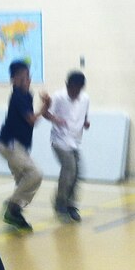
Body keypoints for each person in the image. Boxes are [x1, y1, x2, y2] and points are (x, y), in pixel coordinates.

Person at [0, 60, 50, 231]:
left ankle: (15, 213)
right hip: (10, 144)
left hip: (18, 144)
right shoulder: (17, 96)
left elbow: (31, 119)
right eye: (22, 77)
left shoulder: (27, 95)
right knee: (35, 174)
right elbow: (31, 120)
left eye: (28, 76)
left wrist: (44, 108)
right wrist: (45, 107)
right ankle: (12, 207)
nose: (26, 80)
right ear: (13, 80)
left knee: (23, 180)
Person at [44, 70, 90, 222]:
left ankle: (70, 204)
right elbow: (45, 113)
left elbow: (84, 116)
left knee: (78, 173)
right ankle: (60, 203)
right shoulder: (58, 97)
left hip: (75, 141)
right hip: (59, 140)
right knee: (69, 169)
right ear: (67, 85)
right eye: (72, 88)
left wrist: (85, 122)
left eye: (78, 89)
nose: (74, 92)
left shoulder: (85, 99)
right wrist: (55, 119)